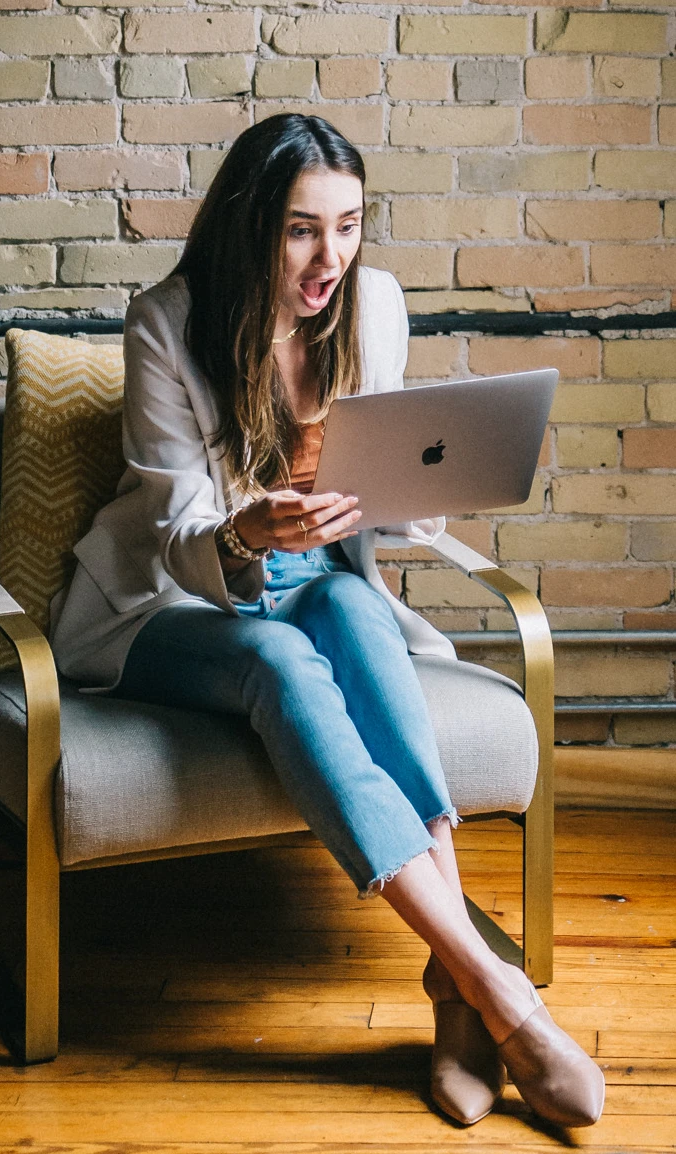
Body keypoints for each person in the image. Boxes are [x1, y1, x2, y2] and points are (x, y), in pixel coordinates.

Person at [50, 114, 604, 1129]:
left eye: (347, 226)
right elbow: (175, 529)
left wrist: (409, 487)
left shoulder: (373, 303)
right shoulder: (166, 321)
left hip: (325, 570)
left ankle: (456, 987)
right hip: (175, 599)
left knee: (349, 604)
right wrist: (247, 528)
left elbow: (393, 478)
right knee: (279, 658)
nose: (329, 258)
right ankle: (497, 987)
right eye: (302, 230)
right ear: (249, 224)